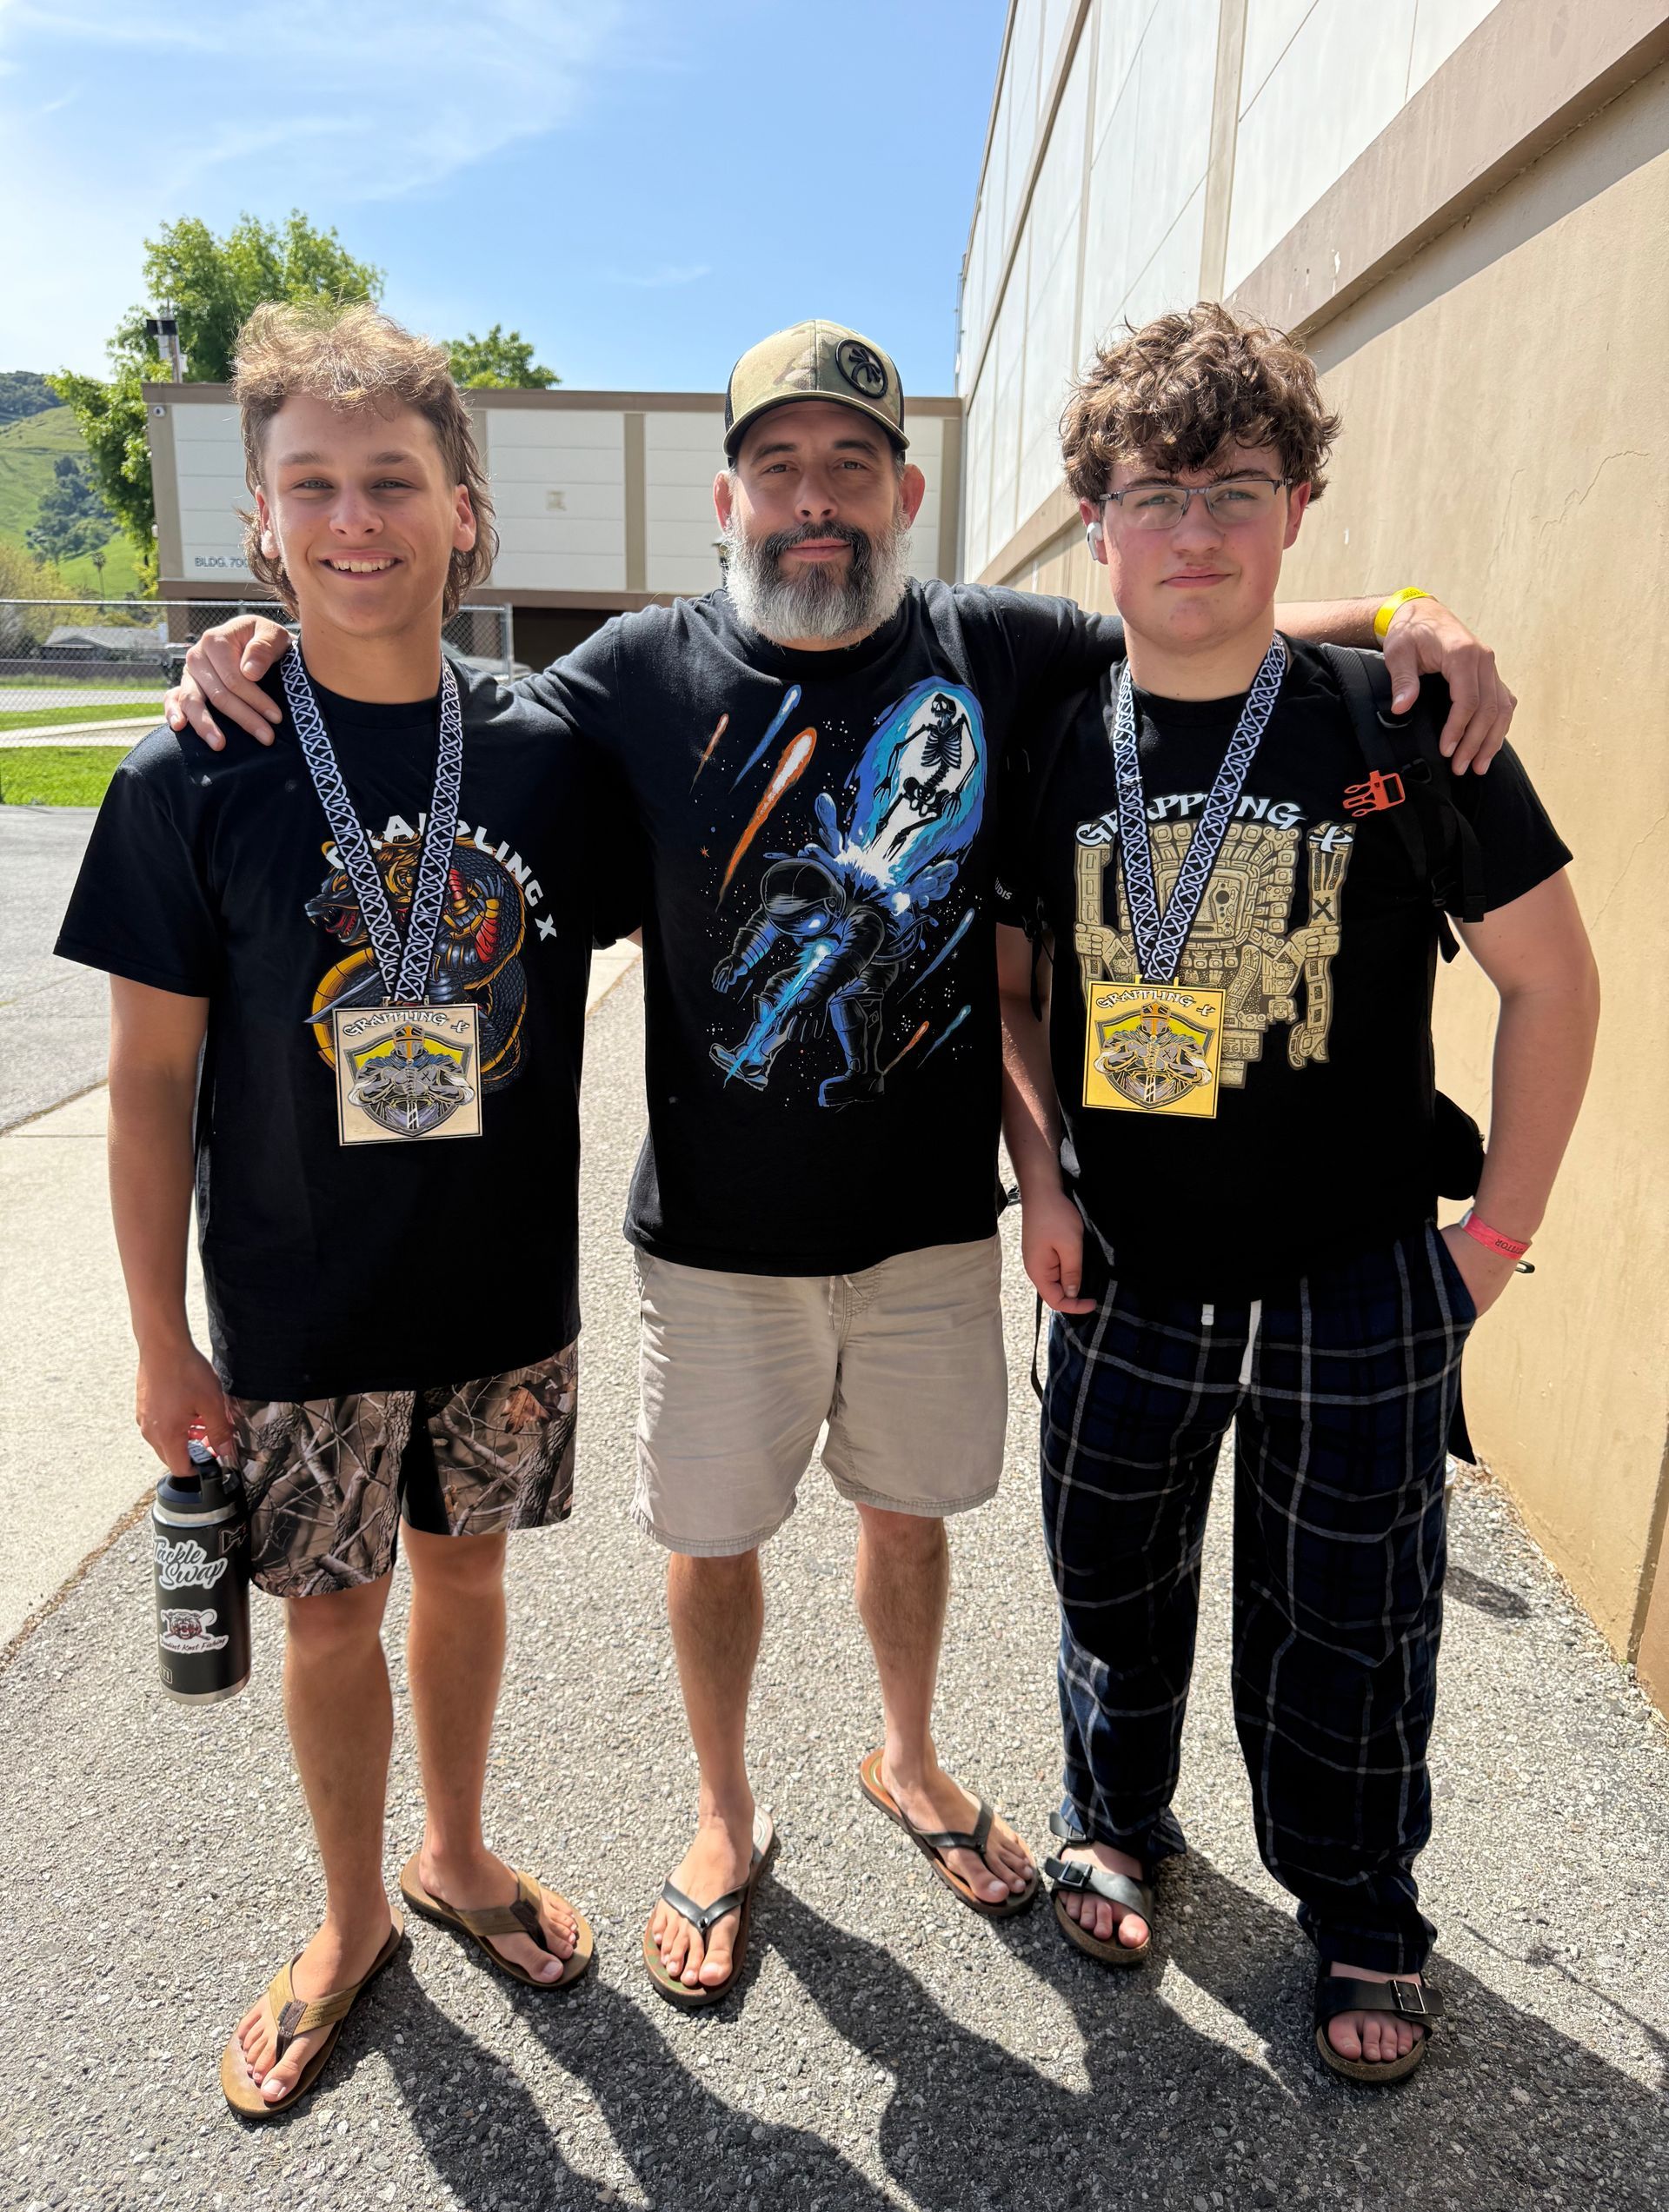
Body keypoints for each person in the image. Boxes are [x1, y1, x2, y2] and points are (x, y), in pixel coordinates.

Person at [168, 316, 1518, 2011]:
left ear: (907, 489)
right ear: (729, 495)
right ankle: (726, 1815)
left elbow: (1211, 620)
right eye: (783, 467)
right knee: (714, 1539)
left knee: (908, 1516)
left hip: (932, 1228)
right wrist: (260, 644)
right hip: (717, 1243)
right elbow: (424, 709)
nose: (818, 500)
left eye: (853, 465)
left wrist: (1407, 615)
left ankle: (909, 1753)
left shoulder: (1002, 644)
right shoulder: (628, 677)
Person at [994, 302, 1598, 2082]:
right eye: (1154, 491)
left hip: (1360, 1269)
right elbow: (1015, 994)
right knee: (1113, 1572)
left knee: (1355, 1602)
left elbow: (1555, 984)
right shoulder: (1046, 731)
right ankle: (1117, 1815)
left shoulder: (1398, 716)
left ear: (1300, 505)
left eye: (1236, 488)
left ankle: (1359, 1901)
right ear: (1095, 517)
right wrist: (1039, 1176)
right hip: (1129, 1258)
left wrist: (1491, 1241)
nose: (1195, 529)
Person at [57, 303, 636, 2113]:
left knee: (465, 1578)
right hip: (299, 1306)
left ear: (465, 508)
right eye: (312, 484)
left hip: (500, 1288)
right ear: (259, 516)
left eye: (395, 479)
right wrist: (161, 1336)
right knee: (329, 1612)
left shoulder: (546, 748)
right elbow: (150, 1087)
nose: (355, 518)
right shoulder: (189, 772)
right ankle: (345, 1919)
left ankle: (455, 1856)